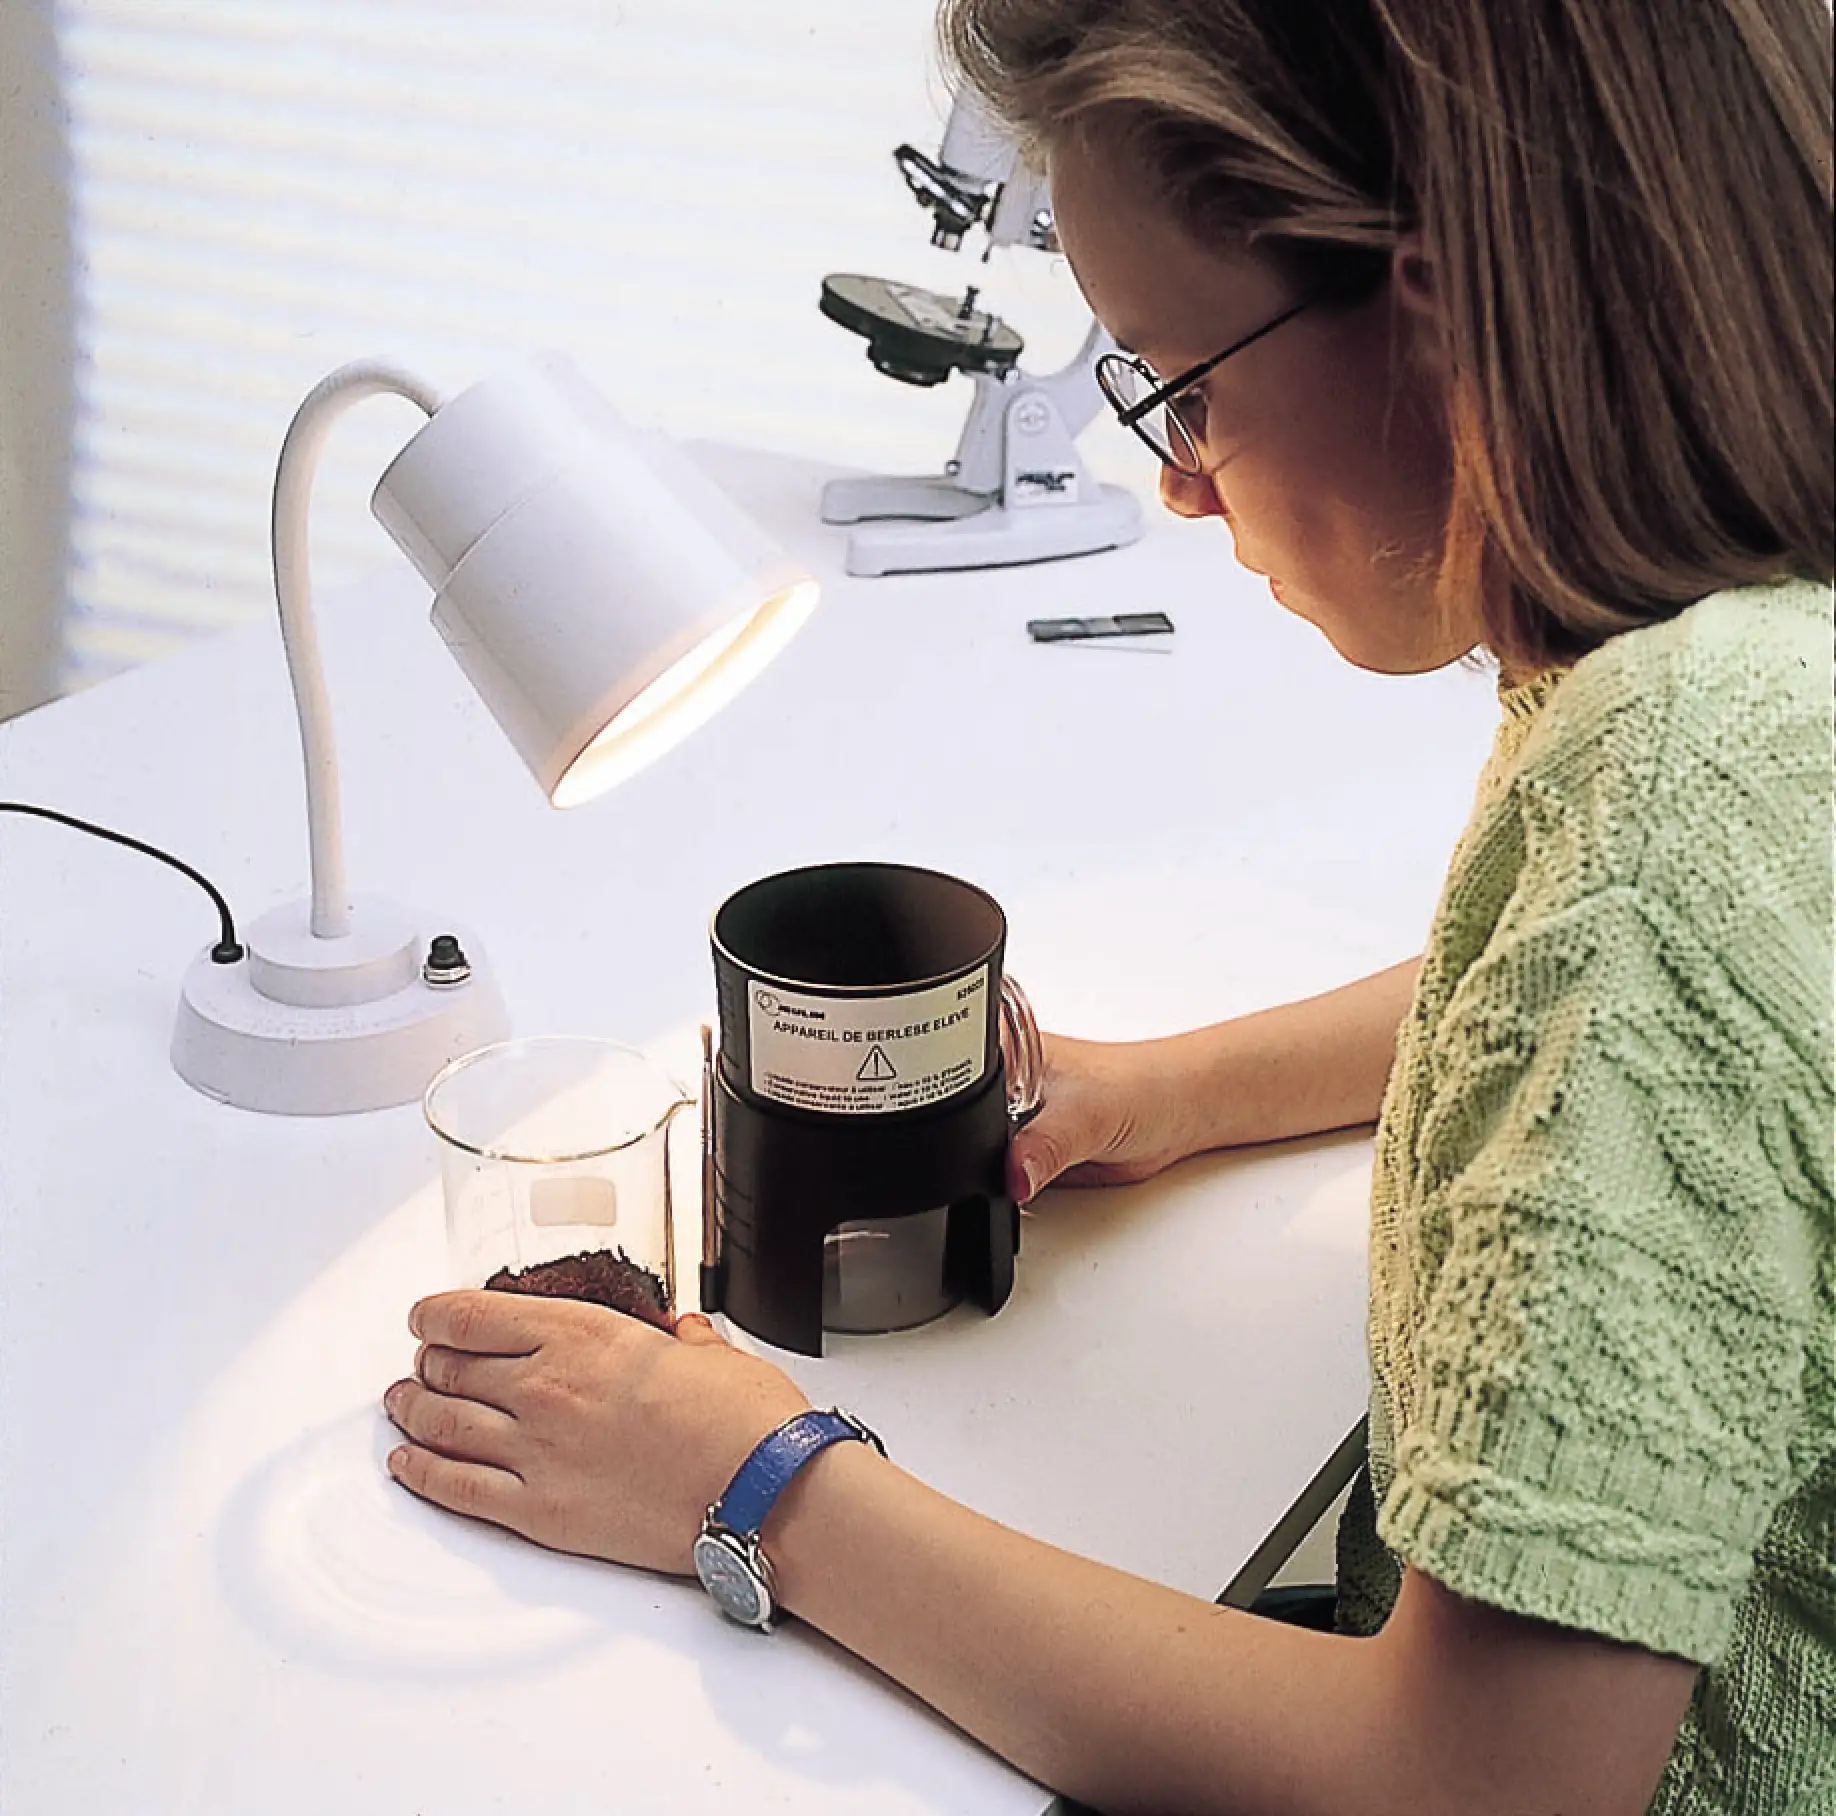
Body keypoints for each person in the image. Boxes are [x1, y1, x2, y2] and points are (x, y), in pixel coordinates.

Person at [380, 2, 1834, 1810]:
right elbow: (1641, 1014)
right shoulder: (1753, 668)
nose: (1175, 482)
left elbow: (1479, 1785)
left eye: (1180, 384)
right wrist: (1177, 1089)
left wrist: (755, 1486)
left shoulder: (1666, 812)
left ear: (1441, 303)